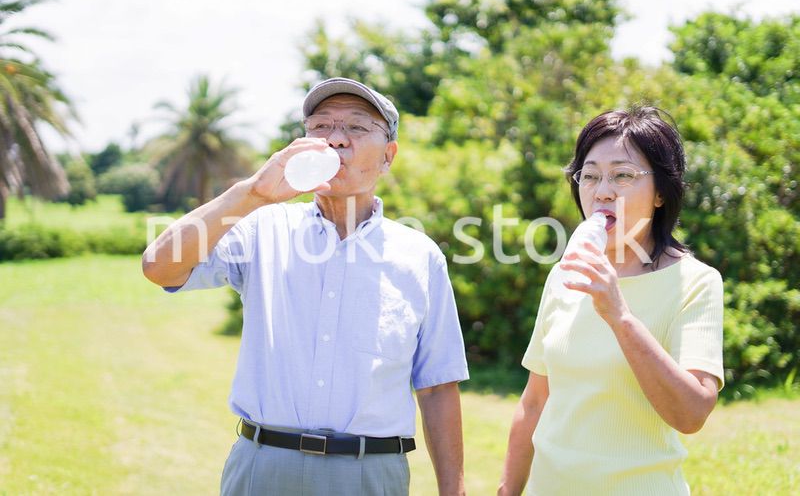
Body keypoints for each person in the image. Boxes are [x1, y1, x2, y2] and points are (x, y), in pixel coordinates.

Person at [142, 77, 469, 495]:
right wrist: (252, 193)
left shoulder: (419, 256)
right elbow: (159, 268)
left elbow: (439, 386)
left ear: (388, 156)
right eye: (321, 127)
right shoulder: (261, 226)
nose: (336, 140)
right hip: (263, 468)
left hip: (370, 475)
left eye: (356, 127)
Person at [498, 107, 724, 495]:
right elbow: (535, 402)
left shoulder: (695, 282)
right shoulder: (565, 275)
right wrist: (507, 490)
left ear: (659, 193)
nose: (602, 190)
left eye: (622, 175)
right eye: (589, 175)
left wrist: (619, 315)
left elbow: (692, 414)